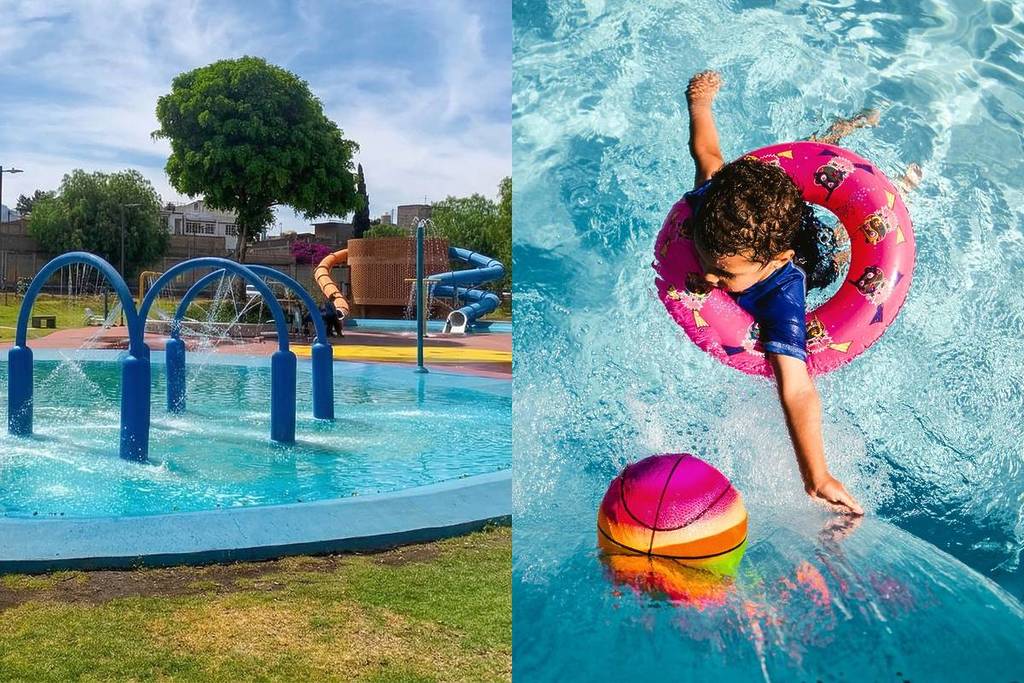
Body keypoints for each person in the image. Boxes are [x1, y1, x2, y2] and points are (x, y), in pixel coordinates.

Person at [683, 70, 919, 515]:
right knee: (805, 163)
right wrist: (700, 104)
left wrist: (817, 476)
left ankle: (901, 190)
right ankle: (842, 128)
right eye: (705, 262)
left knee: (842, 248)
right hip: (772, 219)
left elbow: (796, 388)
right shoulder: (711, 210)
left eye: (724, 276)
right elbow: (707, 150)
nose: (711, 279)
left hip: (815, 256)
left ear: (772, 262)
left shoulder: (783, 295)